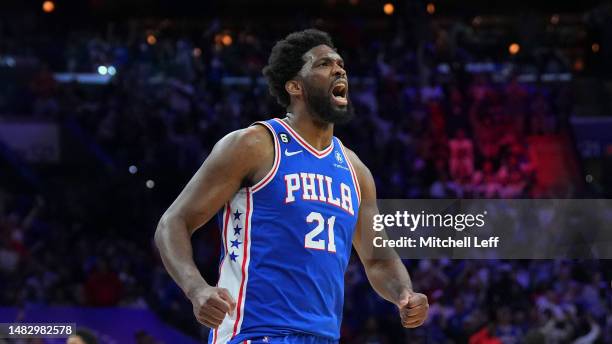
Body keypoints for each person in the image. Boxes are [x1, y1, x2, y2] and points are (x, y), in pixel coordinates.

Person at [154, 29, 428, 344]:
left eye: (340, 64)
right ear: (294, 86)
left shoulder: (355, 170)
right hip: (256, 332)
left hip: (323, 337)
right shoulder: (255, 145)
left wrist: (404, 294)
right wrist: (197, 289)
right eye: (324, 64)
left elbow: (379, 258)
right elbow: (172, 223)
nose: (339, 69)